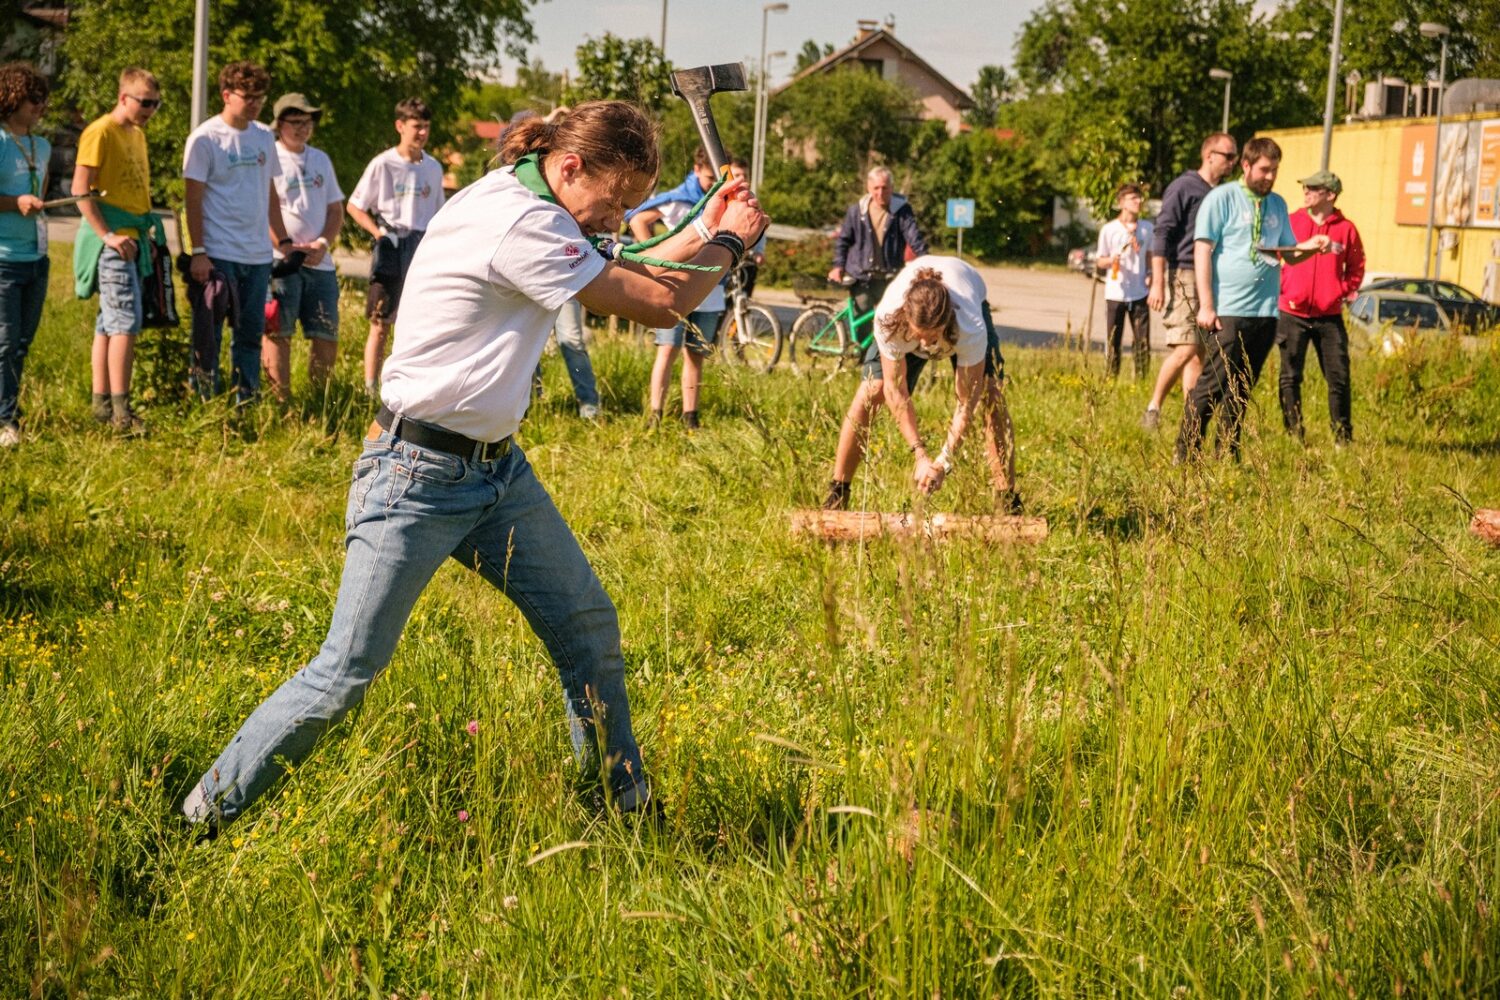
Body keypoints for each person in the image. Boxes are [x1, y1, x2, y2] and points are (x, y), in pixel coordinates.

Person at [181, 100, 768, 829]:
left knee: (587, 624)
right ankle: (202, 815)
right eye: (615, 200)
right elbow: (656, 301)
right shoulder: (521, 222)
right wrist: (731, 243)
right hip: (416, 475)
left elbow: (636, 262)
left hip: (496, 475)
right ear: (571, 166)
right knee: (346, 671)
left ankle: (621, 808)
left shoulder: (543, 203)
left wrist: (709, 227)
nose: (617, 218)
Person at [822, 255, 1021, 514]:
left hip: (969, 292)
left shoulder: (969, 326)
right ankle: (838, 490)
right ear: (906, 317)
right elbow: (895, 390)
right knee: (873, 389)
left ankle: (1008, 500)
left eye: (933, 336)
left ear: (946, 321)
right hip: (906, 324)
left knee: (990, 394)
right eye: (920, 336)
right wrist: (920, 454)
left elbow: (966, 403)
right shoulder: (888, 318)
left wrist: (943, 462)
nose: (926, 345)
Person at [1174, 137, 1330, 462]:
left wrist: (1311, 247)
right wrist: (1207, 305)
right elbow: (1202, 250)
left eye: (1274, 170)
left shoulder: (1278, 204)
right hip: (1227, 309)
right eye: (1264, 170)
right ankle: (1186, 452)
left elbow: (1288, 254)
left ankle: (1227, 452)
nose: (1270, 177)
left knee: (1242, 388)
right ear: (1246, 165)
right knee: (1213, 384)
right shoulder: (1222, 198)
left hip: (1265, 312)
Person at [183, 61, 294, 402]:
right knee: (209, 335)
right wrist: (198, 252)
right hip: (218, 254)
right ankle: (204, 403)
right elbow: (192, 199)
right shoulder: (205, 138)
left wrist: (284, 241)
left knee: (249, 335)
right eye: (248, 97)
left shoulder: (264, 136)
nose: (255, 104)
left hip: (258, 255)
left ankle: (246, 403)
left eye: (260, 97)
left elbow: (270, 193)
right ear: (226, 95)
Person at [72, 67, 162, 435]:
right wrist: (107, 235)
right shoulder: (100, 131)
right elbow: (80, 190)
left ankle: (103, 406)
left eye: (155, 104)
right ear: (124, 97)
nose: (150, 110)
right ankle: (121, 412)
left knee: (109, 323)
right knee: (125, 321)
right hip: (114, 244)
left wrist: (146, 235)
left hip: (134, 238)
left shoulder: (137, 134)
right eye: (145, 102)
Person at [346, 97, 446, 394]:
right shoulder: (384, 163)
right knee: (381, 320)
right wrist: (378, 233)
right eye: (417, 126)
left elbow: (439, 213)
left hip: (421, 244)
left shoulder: (433, 167)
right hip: (390, 241)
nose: (422, 133)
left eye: (426, 127)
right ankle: (370, 387)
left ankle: (410, 386)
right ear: (400, 126)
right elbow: (355, 205)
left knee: (419, 322)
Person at [1142, 132, 1238, 430]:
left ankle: (1191, 419)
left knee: (1198, 353)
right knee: (1184, 347)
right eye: (1228, 156)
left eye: (1235, 157)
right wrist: (1158, 282)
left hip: (1208, 275)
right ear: (1209, 155)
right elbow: (1162, 233)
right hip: (1183, 273)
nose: (1233, 162)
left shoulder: (1220, 193)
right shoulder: (1184, 186)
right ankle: (1153, 408)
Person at [627, 146, 722, 429]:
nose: (712, 184)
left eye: (715, 179)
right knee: (668, 349)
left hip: (710, 288)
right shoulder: (679, 199)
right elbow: (637, 218)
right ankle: (655, 414)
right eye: (708, 178)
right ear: (696, 170)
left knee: (696, 354)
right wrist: (654, 255)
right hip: (675, 285)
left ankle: (691, 416)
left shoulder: (721, 200)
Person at [519, 108, 602, 421]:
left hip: (567, 267)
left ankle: (589, 407)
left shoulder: (570, 185)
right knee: (528, 340)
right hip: (529, 272)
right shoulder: (519, 182)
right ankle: (530, 403)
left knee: (571, 338)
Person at [264, 93, 344, 399]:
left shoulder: (321, 158)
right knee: (278, 332)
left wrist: (322, 243)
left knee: (326, 333)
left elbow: (336, 210)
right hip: (281, 260)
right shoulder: (269, 156)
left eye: (307, 122)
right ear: (280, 124)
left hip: (319, 262)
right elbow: (263, 208)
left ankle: (317, 400)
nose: (302, 128)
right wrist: (285, 246)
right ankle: (280, 402)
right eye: (295, 122)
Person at [1276, 169, 1363, 443]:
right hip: (1292, 311)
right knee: (1290, 377)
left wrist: (1342, 291)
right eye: (1305, 187)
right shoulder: (1292, 221)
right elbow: (1276, 254)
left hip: (1329, 316)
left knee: (1339, 377)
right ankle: (1294, 434)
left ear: (1330, 195)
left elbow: (1357, 265)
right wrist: (1283, 287)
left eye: (1313, 188)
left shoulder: (1346, 229)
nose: (1306, 192)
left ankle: (1342, 438)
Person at [0, 62, 50, 448]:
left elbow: (40, 194)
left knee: (20, 344)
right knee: (4, 341)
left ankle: (10, 410)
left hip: (37, 257)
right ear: (12, 97)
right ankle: (5, 421)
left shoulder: (42, 146)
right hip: (3, 257)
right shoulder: (2, 141)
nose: (40, 106)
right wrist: (15, 202)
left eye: (44, 99)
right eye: (33, 98)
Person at [829, 165, 927, 317]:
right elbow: (843, 241)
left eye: (884, 188)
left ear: (891, 188)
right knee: (863, 320)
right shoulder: (856, 211)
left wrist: (927, 261)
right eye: (876, 188)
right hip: (861, 277)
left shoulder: (901, 211)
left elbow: (914, 237)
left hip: (889, 277)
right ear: (868, 188)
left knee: (891, 319)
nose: (880, 193)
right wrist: (838, 266)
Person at [1095, 182, 1154, 380]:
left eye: (1139, 198)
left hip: (1140, 292)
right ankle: (1111, 378)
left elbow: (1150, 255)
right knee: (1113, 339)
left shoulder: (1147, 228)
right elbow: (1100, 260)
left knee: (1142, 340)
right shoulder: (1109, 229)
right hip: (1116, 293)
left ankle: (1142, 379)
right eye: (1133, 198)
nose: (1138, 201)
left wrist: (1150, 274)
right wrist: (1112, 260)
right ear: (1121, 203)